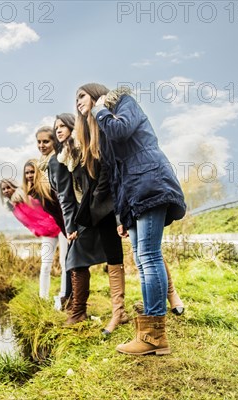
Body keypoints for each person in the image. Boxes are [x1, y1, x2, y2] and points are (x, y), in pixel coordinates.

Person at [77, 83, 186, 355]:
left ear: (97, 94)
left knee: (149, 256)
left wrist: (101, 110)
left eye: (81, 96)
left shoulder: (124, 103)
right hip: (133, 195)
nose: (77, 102)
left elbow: (121, 129)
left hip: (149, 183)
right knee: (141, 258)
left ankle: (154, 334)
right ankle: (149, 332)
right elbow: (114, 174)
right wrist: (120, 215)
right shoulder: (101, 129)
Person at [73, 110, 130, 335]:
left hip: (123, 198)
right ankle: (119, 312)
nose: (79, 102)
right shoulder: (86, 144)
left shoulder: (108, 129)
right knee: (113, 257)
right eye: (77, 98)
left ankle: (171, 296)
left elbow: (111, 172)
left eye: (83, 97)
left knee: (147, 250)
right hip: (103, 208)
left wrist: (99, 197)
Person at [47, 116, 106, 325]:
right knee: (75, 260)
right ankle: (76, 309)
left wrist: (72, 224)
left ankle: (78, 310)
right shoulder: (59, 158)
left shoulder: (82, 150)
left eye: (63, 126)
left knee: (80, 259)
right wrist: (70, 225)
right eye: (56, 128)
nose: (59, 130)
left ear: (73, 126)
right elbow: (64, 196)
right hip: (82, 215)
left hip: (96, 211)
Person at [0, 172, 60, 300]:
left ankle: (66, 294)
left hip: (59, 226)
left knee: (65, 262)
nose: (6, 190)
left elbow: (44, 206)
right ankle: (43, 298)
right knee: (45, 265)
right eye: (3, 189)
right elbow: (28, 222)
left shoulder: (25, 196)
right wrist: (37, 231)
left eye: (8, 187)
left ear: (14, 186)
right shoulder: (12, 206)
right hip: (47, 233)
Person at [34, 127, 69, 310]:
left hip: (64, 221)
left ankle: (65, 297)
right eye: (38, 142)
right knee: (47, 263)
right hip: (54, 223)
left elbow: (62, 196)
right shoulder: (42, 165)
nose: (41, 145)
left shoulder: (57, 161)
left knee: (65, 261)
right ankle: (47, 298)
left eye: (45, 141)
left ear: (54, 141)